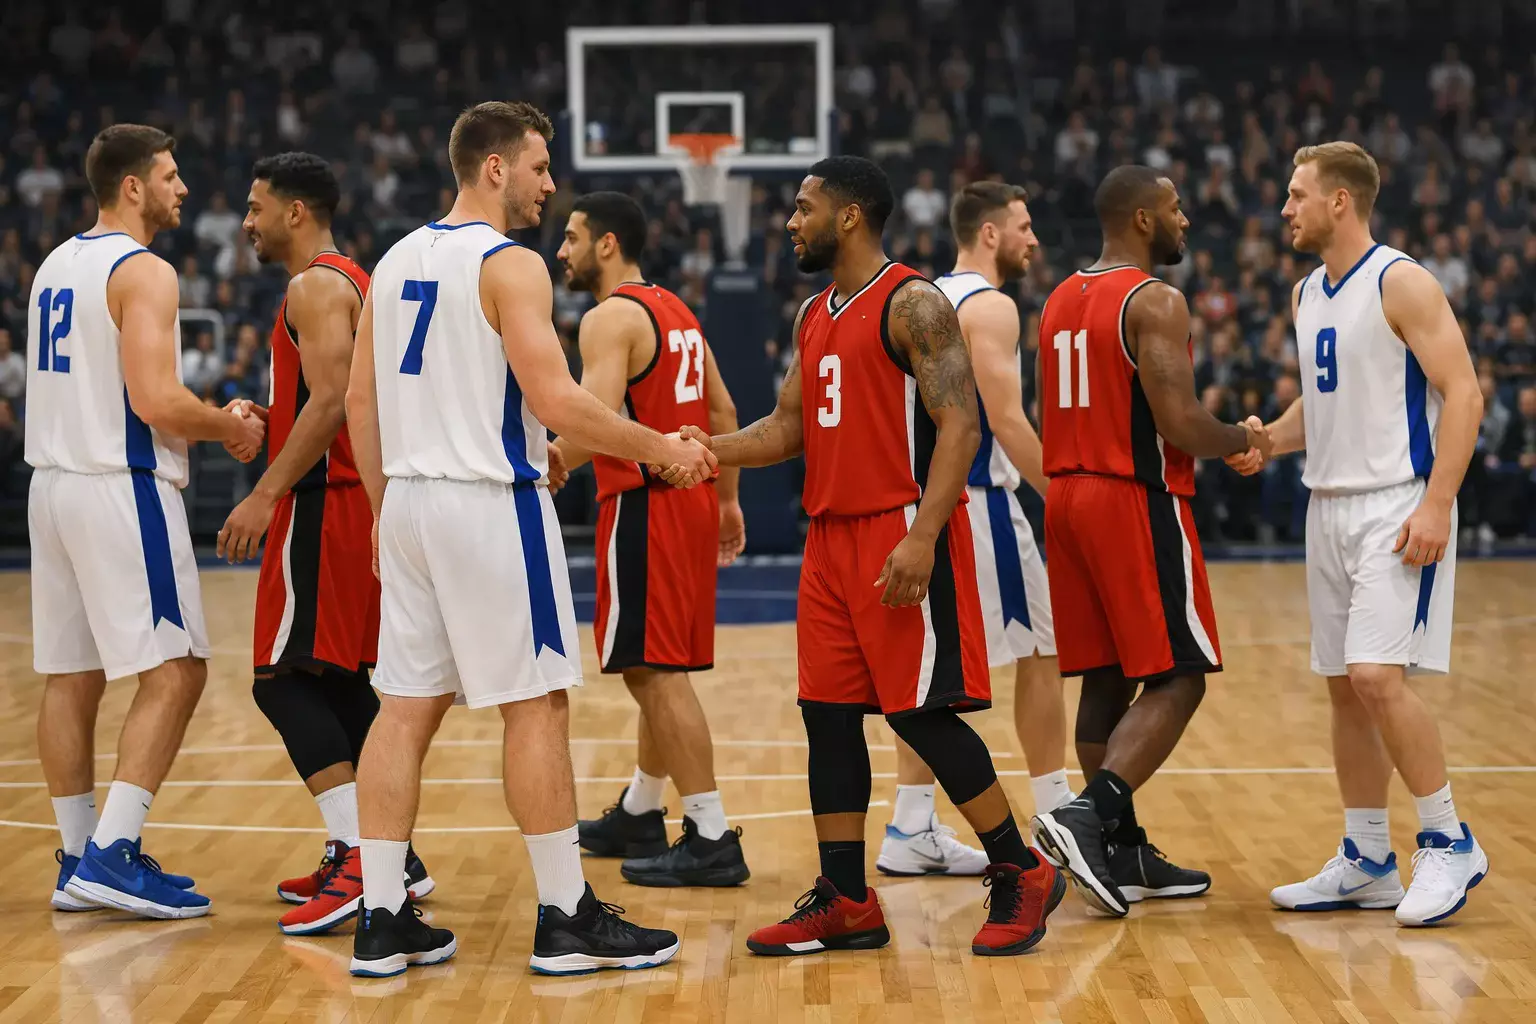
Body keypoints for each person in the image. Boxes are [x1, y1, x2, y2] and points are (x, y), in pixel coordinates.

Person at [344, 101, 713, 978]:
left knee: (402, 709)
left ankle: (381, 915)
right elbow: (558, 400)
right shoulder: (510, 263)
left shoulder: (393, 259)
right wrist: (659, 446)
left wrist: (384, 509)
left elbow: (361, 401)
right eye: (540, 167)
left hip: (411, 502)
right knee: (538, 704)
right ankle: (566, 914)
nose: (550, 185)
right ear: (495, 167)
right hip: (488, 505)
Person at [684, 155, 1065, 959]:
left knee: (920, 713)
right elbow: (788, 427)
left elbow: (961, 425)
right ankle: (847, 898)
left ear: (850, 215)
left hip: (899, 526)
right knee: (826, 716)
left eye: (804, 207)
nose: (791, 222)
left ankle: (1021, 868)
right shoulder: (813, 312)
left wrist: (924, 536)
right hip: (828, 538)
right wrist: (707, 449)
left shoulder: (914, 303)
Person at [1237, 142, 1486, 926]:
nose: (1285, 208)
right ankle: (1368, 859)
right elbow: (1324, 404)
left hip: (1396, 504)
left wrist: (1438, 504)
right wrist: (1270, 440)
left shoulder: (1400, 280)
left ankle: (1449, 841)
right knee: (1345, 689)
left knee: (1377, 678)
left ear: (1339, 201)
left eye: (1297, 194)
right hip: (1328, 506)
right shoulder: (1307, 290)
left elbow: (1464, 393)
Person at [27, 124, 264, 918]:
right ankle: (114, 853)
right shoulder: (144, 270)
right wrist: (228, 425)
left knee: (72, 676)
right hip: (117, 485)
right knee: (178, 669)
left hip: (51, 486)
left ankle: (77, 857)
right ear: (132, 186)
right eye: (169, 176)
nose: (182, 188)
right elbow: (156, 401)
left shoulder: (55, 265)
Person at [1030, 164, 1269, 918]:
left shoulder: (1057, 299)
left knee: (1106, 679)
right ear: (1142, 218)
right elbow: (1180, 423)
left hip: (1065, 495)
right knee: (1180, 676)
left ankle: (1122, 848)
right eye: (1174, 206)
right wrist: (1244, 438)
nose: (1185, 219)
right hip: (1131, 496)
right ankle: (1086, 815)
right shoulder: (1155, 299)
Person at [216, 151, 433, 936]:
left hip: (324, 506)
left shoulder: (314, 285)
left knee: (280, 680)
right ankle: (391, 854)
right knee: (337, 680)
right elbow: (332, 397)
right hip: (352, 502)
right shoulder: (354, 280)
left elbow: (334, 401)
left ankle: (359, 853)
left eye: (256, 207)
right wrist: (272, 418)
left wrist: (266, 491)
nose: (248, 222)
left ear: (296, 211)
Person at [552, 191, 751, 887]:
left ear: (607, 244)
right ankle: (641, 809)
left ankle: (710, 833)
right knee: (656, 665)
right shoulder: (678, 310)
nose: (562, 251)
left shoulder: (609, 317)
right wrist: (727, 501)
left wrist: (549, 460)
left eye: (573, 237)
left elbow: (595, 419)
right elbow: (723, 408)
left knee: (654, 671)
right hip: (691, 501)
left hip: (645, 505)